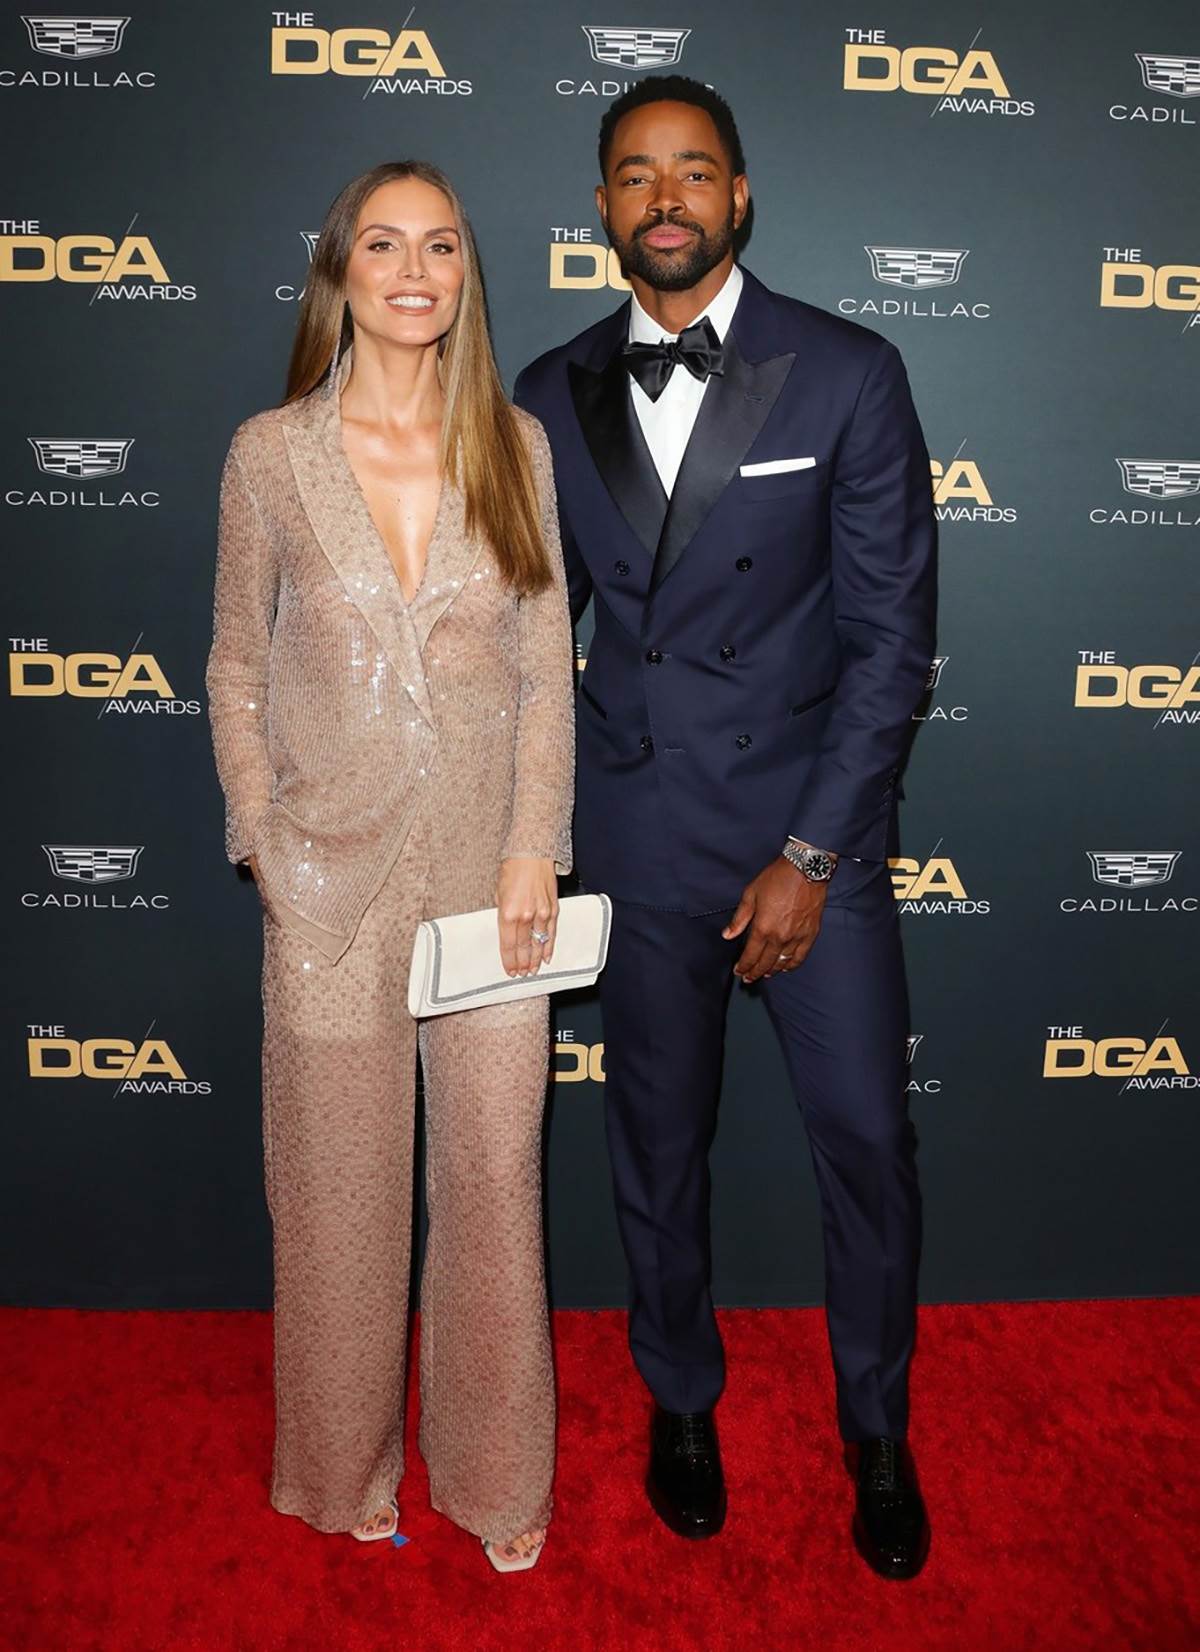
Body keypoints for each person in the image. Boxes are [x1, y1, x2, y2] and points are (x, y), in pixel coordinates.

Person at [515, 78, 936, 1578]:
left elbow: (890, 642)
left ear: (740, 195)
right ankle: (680, 1399)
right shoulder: (547, 391)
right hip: (637, 837)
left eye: (694, 171)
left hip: (809, 835)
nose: (667, 198)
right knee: (653, 1143)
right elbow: (524, 635)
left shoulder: (847, 372)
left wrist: (811, 857)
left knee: (868, 1140)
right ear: (604, 207)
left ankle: (875, 1425)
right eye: (637, 175)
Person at [206, 160, 574, 1573]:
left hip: (493, 881)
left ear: (466, 273)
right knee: (337, 1196)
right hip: (326, 883)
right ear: (339, 271)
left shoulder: (517, 448)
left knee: (494, 1185)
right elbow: (236, 665)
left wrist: (535, 844)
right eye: (383, 244)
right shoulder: (269, 455)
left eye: (440, 245)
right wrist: (263, 837)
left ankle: (495, 1480)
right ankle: (342, 1467)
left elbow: (544, 672)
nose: (414, 270)